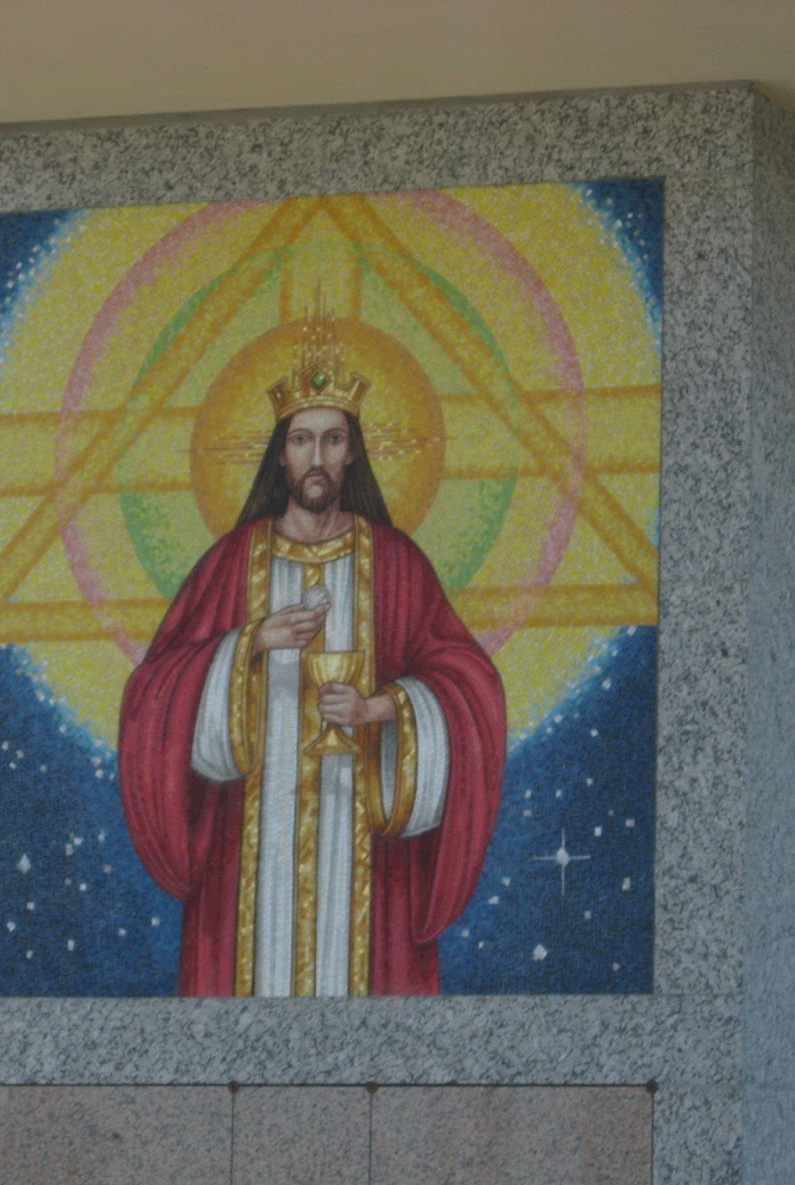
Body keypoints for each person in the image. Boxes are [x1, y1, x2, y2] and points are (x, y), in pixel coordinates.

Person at [119, 305, 505, 996]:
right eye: (302, 441)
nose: (318, 458)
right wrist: (246, 647)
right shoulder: (231, 563)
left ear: (352, 451)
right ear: (281, 453)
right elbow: (154, 694)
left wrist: (381, 707)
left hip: (363, 856)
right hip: (250, 855)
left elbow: (467, 683)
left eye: (332, 440)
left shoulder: (396, 563)